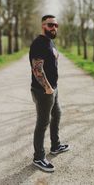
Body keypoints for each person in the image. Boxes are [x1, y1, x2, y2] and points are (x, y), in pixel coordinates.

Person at [29, 14, 69, 172]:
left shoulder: (49, 41)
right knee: (42, 123)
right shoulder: (39, 43)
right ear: (43, 25)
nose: (54, 28)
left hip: (53, 88)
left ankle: (55, 146)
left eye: (56, 25)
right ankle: (38, 157)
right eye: (50, 25)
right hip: (43, 90)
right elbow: (37, 69)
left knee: (57, 114)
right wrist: (47, 87)